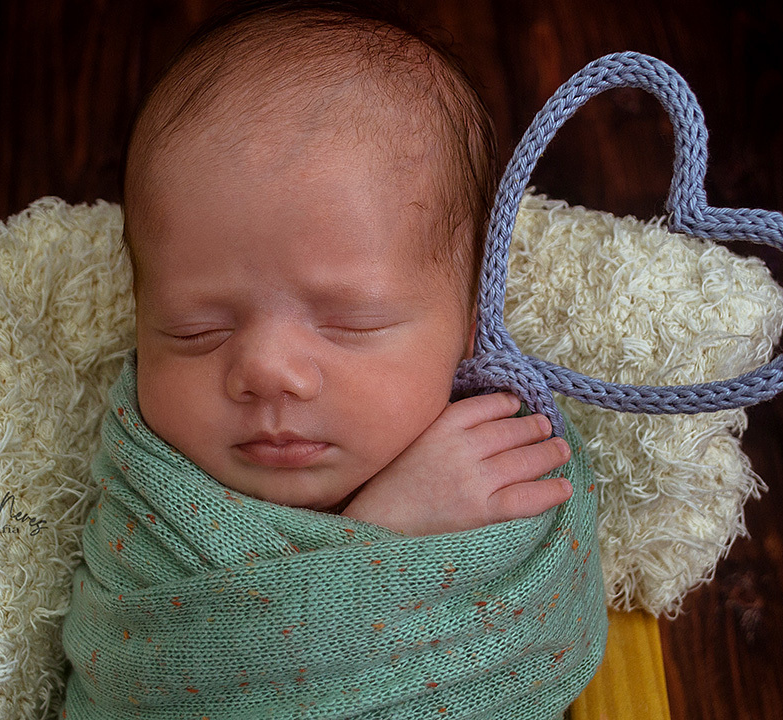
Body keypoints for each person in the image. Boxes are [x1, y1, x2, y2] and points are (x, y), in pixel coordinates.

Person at [61, 2, 603, 717]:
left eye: (353, 321)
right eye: (195, 331)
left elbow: (550, 617)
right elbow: (136, 682)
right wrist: (382, 539)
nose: (268, 372)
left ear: (469, 332)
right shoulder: (150, 513)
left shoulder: (504, 461)